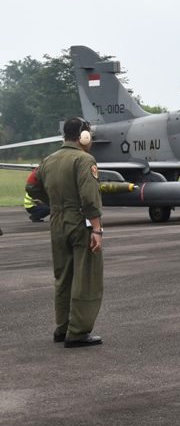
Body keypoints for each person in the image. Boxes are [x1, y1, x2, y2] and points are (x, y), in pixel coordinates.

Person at [26, 117, 105, 348]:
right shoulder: (84, 159)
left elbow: (31, 186)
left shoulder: (48, 160)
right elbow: (90, 199)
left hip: (57, 221)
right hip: (79, 222)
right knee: (86, 276)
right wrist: (97, 230)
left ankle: (62, 328)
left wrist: (54, 203)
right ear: (84, 136)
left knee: (63, 277)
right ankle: (78, 332)